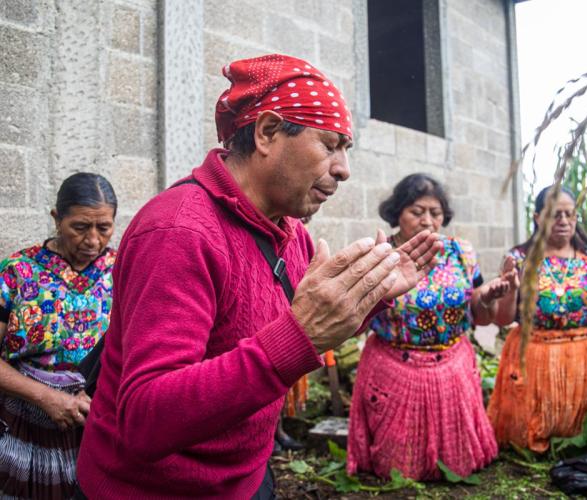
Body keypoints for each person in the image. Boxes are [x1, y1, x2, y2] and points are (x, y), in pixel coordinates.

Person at [75, 54, 441, 499]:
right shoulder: (179, 232)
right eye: (330, 146)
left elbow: (307, 329)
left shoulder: (289, 232)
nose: (344, 169)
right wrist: (297, 337)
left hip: (245, 479)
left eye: (346, 150)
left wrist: (367, 298)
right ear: (268, 132)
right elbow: (146, 419)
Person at [347, 173, 513, 480]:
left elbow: (478, 311)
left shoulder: (460, 253)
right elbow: (357, 317)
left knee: (456, 464)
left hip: (452, 366)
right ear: (398, 213)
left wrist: (486, 296)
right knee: (396, 468)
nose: (427, 221)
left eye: (435, 213)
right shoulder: (380, 255)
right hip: (395, 368)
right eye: (416, 211)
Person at [0, 173, 117, 498]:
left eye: (103, 228)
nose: (93, 240)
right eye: (80, 227)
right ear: (57, 218)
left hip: (98, 428)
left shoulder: (121, 270)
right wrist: (47, 397)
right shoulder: (17, 273)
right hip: (26, 432)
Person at [487, 185, 587, 452]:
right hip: (533, 353)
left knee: (582, 433)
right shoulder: (519, 260)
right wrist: (512, 288)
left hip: (585, 354)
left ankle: (579, 444)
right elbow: (504, 319)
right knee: (526, 434)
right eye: (555, 214)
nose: (563, 221)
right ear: (538, 217)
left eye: (570, 214)